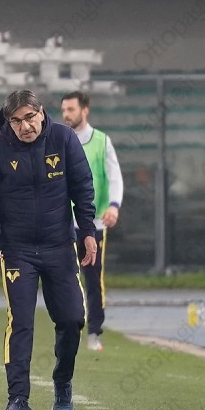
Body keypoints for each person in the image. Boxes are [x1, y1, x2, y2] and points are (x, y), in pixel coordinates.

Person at [0, 89, 97, 410]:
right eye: (16, 121)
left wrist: (87, 231)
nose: (24, 126)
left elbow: (83, 187)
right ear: (8, 122)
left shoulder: (64, 140)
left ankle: (62, 382)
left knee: (72, 319)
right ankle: (17, 400)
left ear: (41, 113)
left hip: (60, 246)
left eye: (29, 117)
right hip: (17, 251)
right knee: (21, 323)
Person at [60, 91, 124, 352]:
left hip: (93, 223)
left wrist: (114, 206)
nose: (66, 115)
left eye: (71, 109)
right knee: (64, 278)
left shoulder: (101, 141)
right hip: (63, 223)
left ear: (84, 110)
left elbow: (114, 177)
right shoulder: (59, 140)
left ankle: (94, 331)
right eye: (64, 110)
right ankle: (68, 328)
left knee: (93, 279)